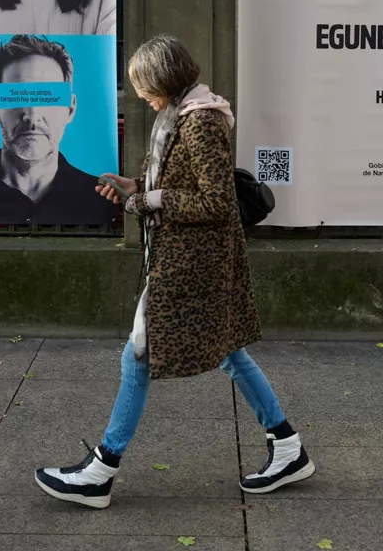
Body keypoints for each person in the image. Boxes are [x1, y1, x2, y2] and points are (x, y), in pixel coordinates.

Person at [35, 34, 315, 509]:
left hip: (190, 265)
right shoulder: (179, 115)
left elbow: (217, 201)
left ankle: (100, 472)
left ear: (162, 79)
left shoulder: (200, 121)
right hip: (186, 259)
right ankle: (287, 446)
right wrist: (134, 185)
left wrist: (147, 200)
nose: (141, 95)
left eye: (143, 86)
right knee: (228, 352)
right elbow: (179, 182)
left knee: (139, 354)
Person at [0, 34, 115, 225]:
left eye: (48, 97)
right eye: (16, 96)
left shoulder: (104, 201)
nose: (32, 115)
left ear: (70, 109)